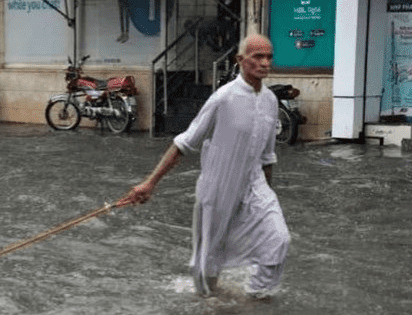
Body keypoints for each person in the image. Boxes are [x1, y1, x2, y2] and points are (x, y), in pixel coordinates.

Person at [117, 34, 290, 299]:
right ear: (240, 61)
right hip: (217, 186)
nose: (265, 63)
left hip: (255, 184)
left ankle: (256, 301)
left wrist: (269, 198)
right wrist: (149, 184)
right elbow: (184, 144)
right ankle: (208, 307)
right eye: (258, 57)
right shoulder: (223, 98)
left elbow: (267, 157)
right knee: (209, 259)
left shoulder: (270, 101)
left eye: (269, 57)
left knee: (278, 239)